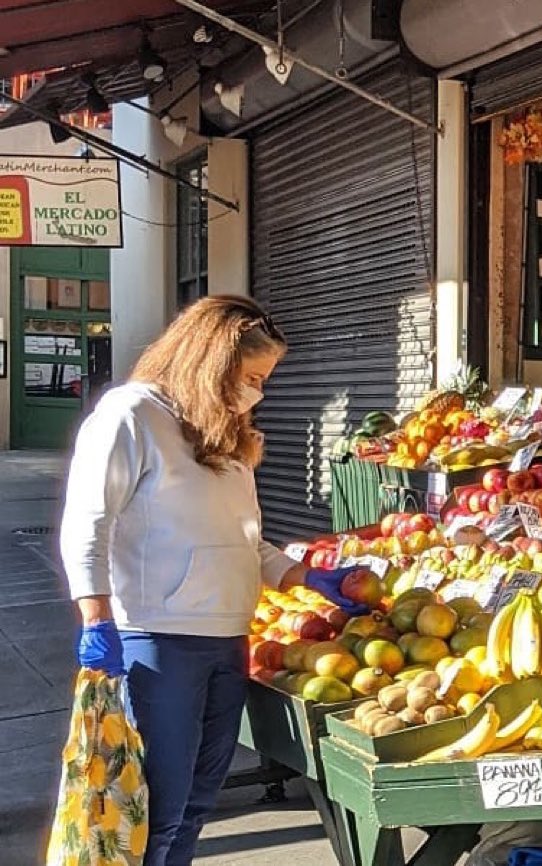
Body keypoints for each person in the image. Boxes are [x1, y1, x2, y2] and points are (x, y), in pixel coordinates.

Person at [60, 296, 362, 866]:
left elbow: (248, 542)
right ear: (211, 362)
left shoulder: (224, 437)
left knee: (197, 804)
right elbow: (88, 520)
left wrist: (308, 579)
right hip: (158, 639)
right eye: (251, 377)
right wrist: (95, 616)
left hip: (229, 641)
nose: (258, 393)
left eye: (264, 380)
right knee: (158, 808)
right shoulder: (132, 415)